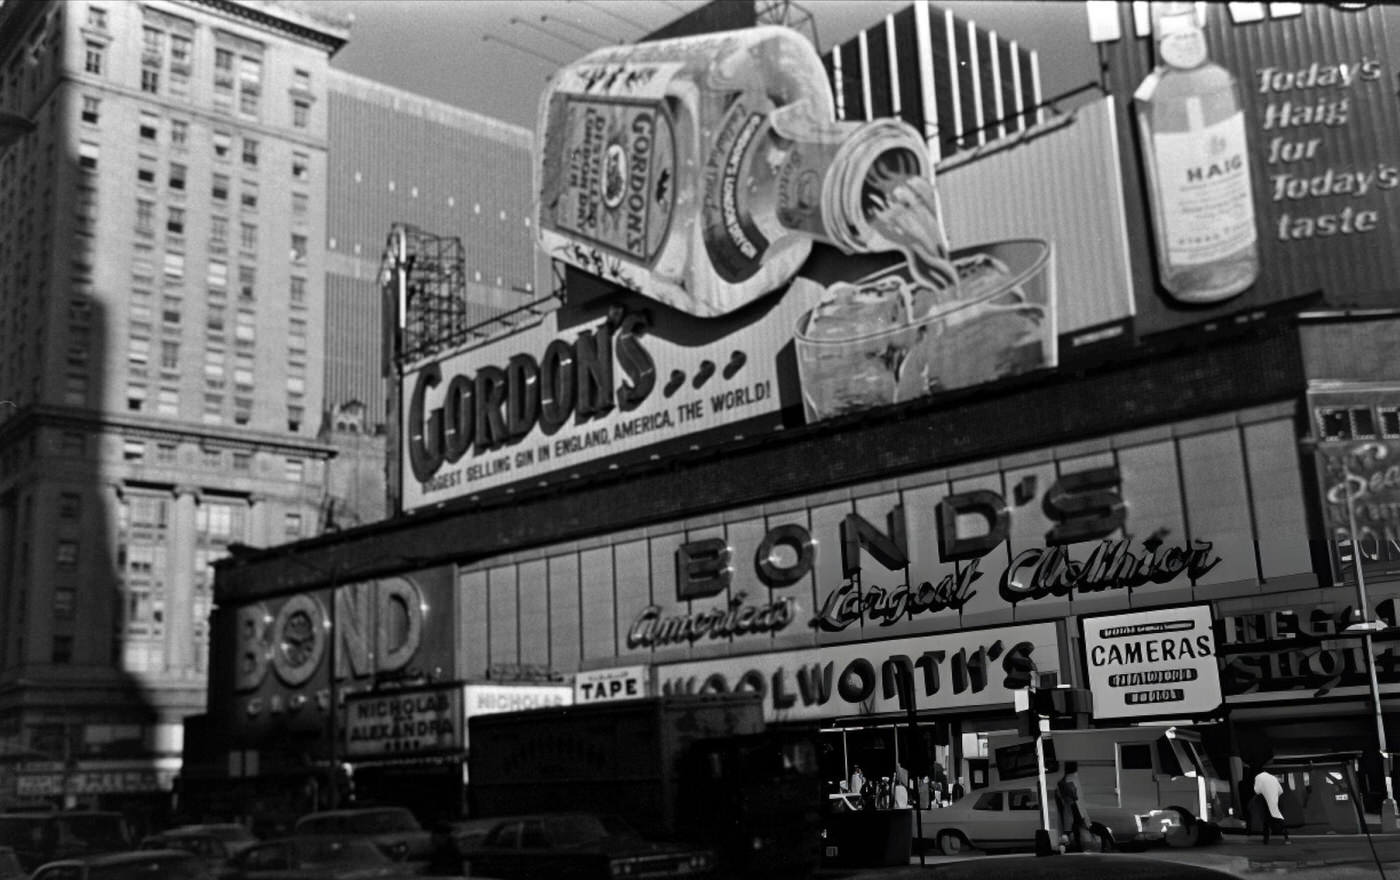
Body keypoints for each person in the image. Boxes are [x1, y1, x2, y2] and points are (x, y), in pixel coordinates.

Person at [1056, 761, 1090, 852]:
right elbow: (1075, 796)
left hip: (1067, 808)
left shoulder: (1063, 781)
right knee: (1074, 829)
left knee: (1070, 829)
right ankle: (1075, 846)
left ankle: (1071, 846)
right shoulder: (1071, 780)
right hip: (1073, 807)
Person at [1253, 767, 1292, 845]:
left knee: (1266, 819)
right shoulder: (1273, 778)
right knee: (1278, 818)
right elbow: (1281, 790)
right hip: (1276, 800)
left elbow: (1257, 791)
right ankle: (1286, 837)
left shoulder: (1258, 777)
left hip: (1266, 801)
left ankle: (1266, 840)